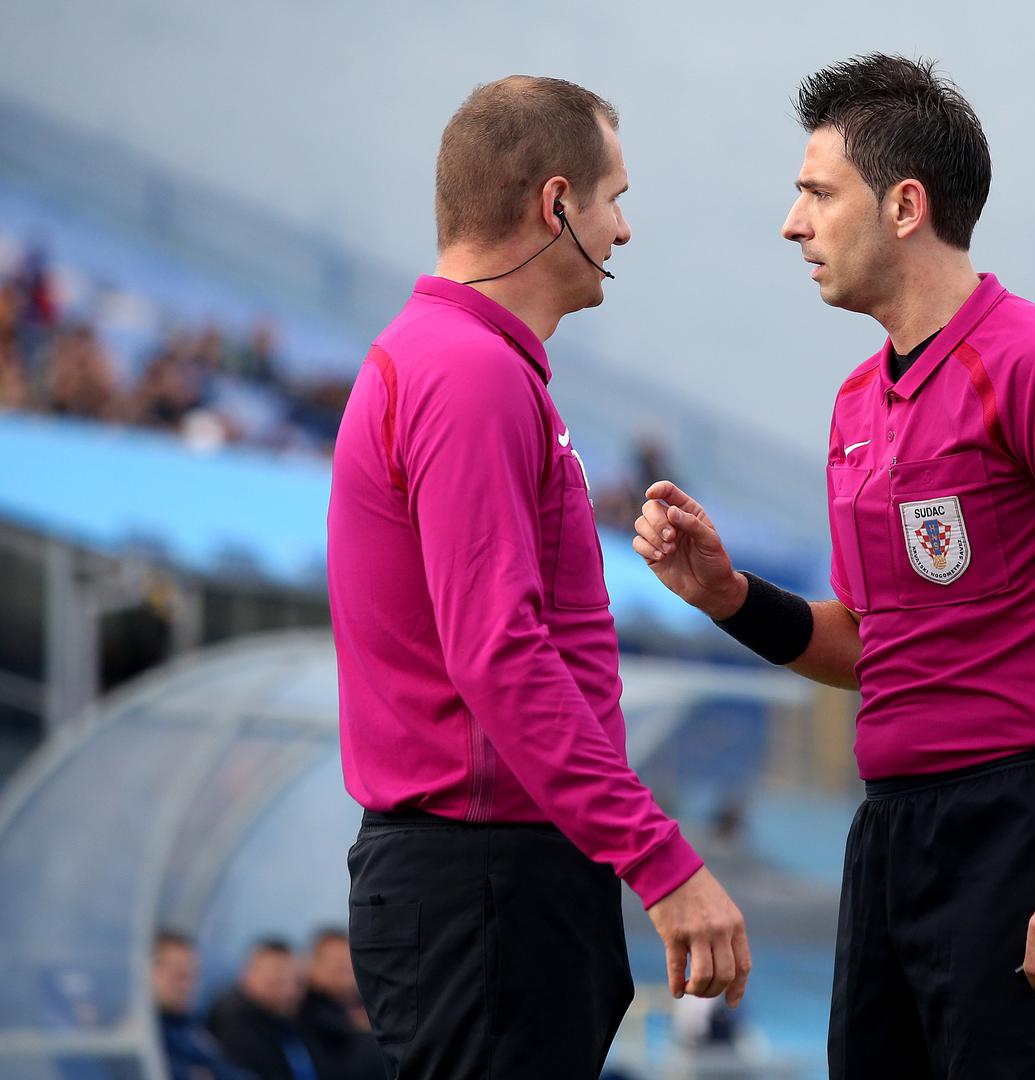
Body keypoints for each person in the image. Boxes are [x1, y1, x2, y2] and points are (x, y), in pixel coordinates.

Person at [633, 54, 1035, 1078]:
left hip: (1030, 832)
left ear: (905, 206)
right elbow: (874, 647)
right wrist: (729, 599)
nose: (792, 224)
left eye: (817, 193)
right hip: (890, 836)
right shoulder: (857, 401)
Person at [326, 75, 748, 1080]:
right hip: (483, 880)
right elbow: (499, 654)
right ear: (556, 204)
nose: (625, 229)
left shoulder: (462, 360)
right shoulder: (467, 372)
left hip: (489, 879)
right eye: (615, 199)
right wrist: (662, 861)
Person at [205, 939, 317, 1080]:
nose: (289, 992)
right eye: (276, 982)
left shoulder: (289, 1019)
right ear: (248, 976)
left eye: (297, 983)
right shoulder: (233, 1020)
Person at [152, 931, 251, 1080]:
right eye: (178, 976)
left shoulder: (192, 1028)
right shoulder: (146, 1036)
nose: (187, 986)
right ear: (146, 973)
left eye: (193, 976)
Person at [295, 929, 381, 1080]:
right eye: (332, 960)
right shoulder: (298, 1011)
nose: (342, 966)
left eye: (347, 958)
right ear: (311, 965)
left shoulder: (374, 1006)